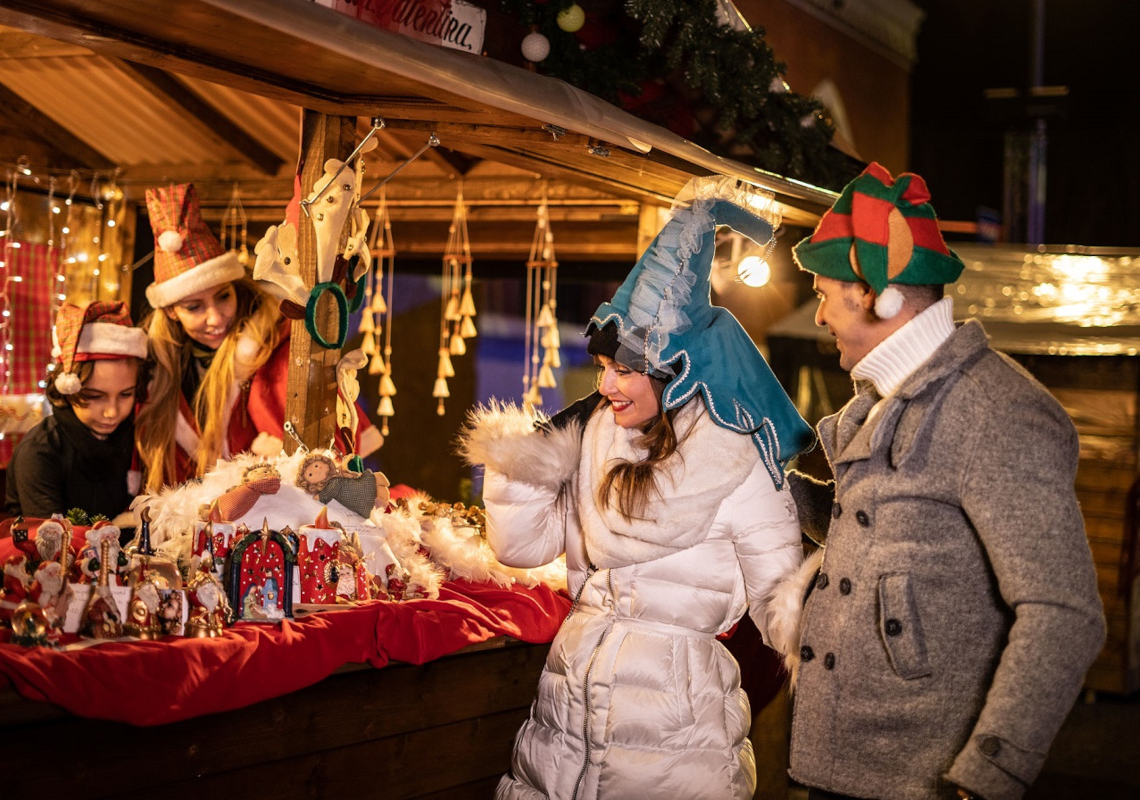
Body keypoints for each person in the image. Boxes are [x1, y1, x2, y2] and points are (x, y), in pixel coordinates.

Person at [460, 176, 815, 800]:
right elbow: (519, 547)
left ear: (677, 372)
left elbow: (786, 615)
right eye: (602, 367)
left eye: (624, 369)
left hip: (676, 732)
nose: (607, 386)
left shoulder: (737, 461)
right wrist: (530, 459)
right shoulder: (596, 438)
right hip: (568, 714)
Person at [782, 163, 1106, 800]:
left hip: (921, 783)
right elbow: (886, 536)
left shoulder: (995, 411)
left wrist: (987, 776)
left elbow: (1064, 612)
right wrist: (765, 483)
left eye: (822, 294)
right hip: (848, 769)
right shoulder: (888, 398)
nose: (817, 316)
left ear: (880, 295)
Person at [136, 183, 383, 493]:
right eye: (194, 307)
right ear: (171, 312)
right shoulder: (156, 375)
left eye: (223, 297)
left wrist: (280, 455)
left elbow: (320, 462)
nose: (215, 318)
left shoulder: (272, 351)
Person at [5, 300, 147, 521]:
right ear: (67, 388)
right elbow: (50, 544)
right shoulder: (39, 452)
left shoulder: (139, 437)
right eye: (94, 396)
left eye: (125, 394)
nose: (112, 412)